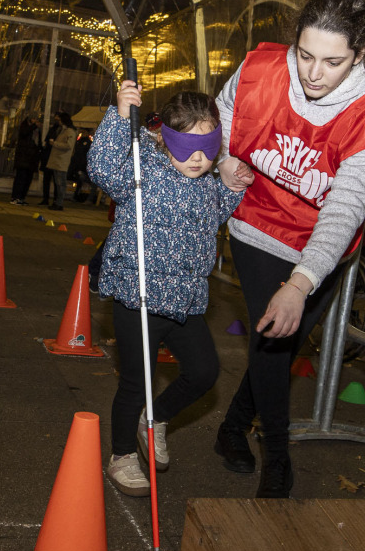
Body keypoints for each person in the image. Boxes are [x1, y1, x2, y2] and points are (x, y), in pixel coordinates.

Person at [214, 0, 365, 498]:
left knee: (278, 342)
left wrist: (301, 282)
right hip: (257, 224)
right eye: (305, 55)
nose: (312, 73)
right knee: (273, 343)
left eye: (332, 61)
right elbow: (224, 112)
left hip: (321, 247)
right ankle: (278, 460)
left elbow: (345, 210)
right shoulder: (261, 69)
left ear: (360, 54)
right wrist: (223, 157)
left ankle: (231, 430)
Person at [89, 82, 249, 497]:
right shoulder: (142, 168)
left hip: (186, 303)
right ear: (166, 139)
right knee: (135, 382)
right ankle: (121, 455)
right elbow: (103, 169)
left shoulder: (207, 178)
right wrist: (120, 115)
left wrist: (233, 184)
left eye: (208, 147)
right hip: (137, 297)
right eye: (188, 147)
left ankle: (154, 420)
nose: (198, 159)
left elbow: (216, 216)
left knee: (204, 373)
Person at [44, 111, 76, 211]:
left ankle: (59, 203)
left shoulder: (69, 132)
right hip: (58, 160)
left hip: (61, 161)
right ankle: (57, 202)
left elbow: (69, 145)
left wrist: (55, 143)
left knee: (61, 183)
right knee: (58, 183)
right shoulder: (64, 130)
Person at [8, 115, 41, 204]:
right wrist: (34, 126)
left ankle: (21, 197)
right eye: (34, 118)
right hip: (23, 158)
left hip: (31, 159)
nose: (35, 121)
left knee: (27, 179)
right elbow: (24, 133)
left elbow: (39, 143)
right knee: (20, 178)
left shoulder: (36, 131)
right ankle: (15, 197)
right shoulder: (25, 127)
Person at [37, 114, 63, 205]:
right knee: (48, 180)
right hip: (49, 157)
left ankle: (54, 199)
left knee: (56, 181)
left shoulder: (62, 130)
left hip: (54, 158)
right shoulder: (54, 129)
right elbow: (47, 141)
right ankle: (46, 198)